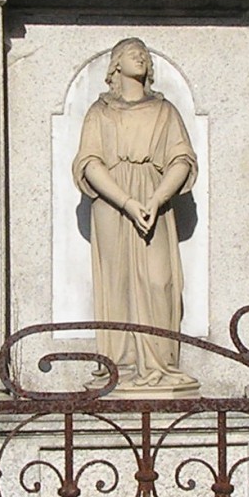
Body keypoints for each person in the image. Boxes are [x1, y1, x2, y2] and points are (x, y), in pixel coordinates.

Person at [72, 38, 199, 392]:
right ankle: (121, 366)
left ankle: (160, 364)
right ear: (116, 64)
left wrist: (156, 199)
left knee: (160, 281)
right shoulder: (100, 112)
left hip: (154, 201)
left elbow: (182, 160)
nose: (140, 57)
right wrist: (127, 202)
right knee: (117, 282)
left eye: (143, 53)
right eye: (132, 52)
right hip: (113, 202)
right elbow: (89, 162)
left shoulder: (165, 111)